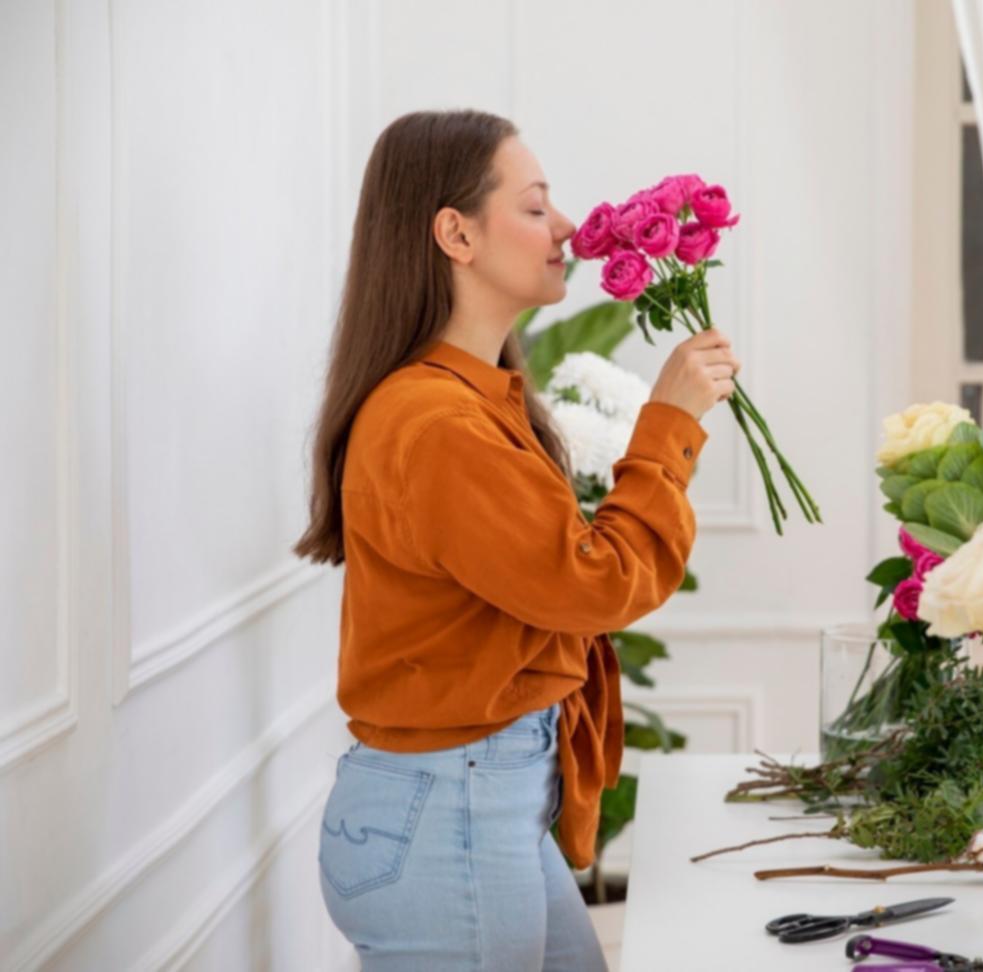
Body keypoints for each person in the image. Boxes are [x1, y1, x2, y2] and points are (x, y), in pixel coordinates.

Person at [292, 109, 739, 971]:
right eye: (534, 207)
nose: (566, 225)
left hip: (471, 801)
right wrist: (669, 426)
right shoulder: (439, 423)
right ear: (455, 234)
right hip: (451, 811)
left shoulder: (462, 401)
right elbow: (594, 584)